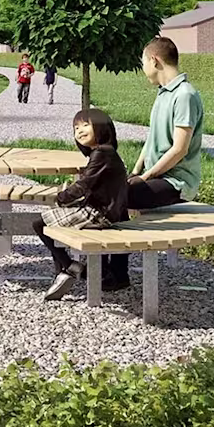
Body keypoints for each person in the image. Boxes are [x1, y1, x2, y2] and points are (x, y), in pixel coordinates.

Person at [101, 36, 205, 289]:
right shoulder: (163, 93)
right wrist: (135, 171)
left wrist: (145, 177)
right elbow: (151, 140)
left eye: (143, 63)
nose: (143, 69)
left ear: (154, 60)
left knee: (114, 196)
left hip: (176, 182)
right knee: (108, 190)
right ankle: (108, 269)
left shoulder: (185, 95)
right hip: (157, 176)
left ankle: (113, 271)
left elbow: (179, 150)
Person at [35, 109, 129, 301]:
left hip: (98, 214)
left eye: (86, 125)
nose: (79, 131)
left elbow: (83, 185)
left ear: (102, 128)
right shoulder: (105, 153)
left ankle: (70, 267)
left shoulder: (102, 153)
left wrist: (61, 198)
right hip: (109, 212)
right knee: (53, 220)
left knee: (39, 223)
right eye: (76, 128)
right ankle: (68, 270)